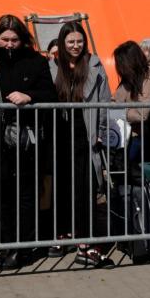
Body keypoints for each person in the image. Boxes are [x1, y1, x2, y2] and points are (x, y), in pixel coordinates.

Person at [0, 14, 57, 269]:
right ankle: (7, 245)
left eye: (15, 39)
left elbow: (50, 94)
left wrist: (29, 96)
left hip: (27, 142)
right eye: (4, 39)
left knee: (26, 196)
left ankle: (22, 249)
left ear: (23, 40)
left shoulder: (36, 61)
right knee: (3, 196)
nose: (9, 44)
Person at [49, 21, 112, 266]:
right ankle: (61, 233)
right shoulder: (53, 66)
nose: (76, 46)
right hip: (60, 133)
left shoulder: (94, 65)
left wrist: (102, 130)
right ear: (63, 44)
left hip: (86, 132)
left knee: (85, 186)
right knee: (61, 185)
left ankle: (85, 239)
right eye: (71, 42)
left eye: (79, 41)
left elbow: (106, 100)